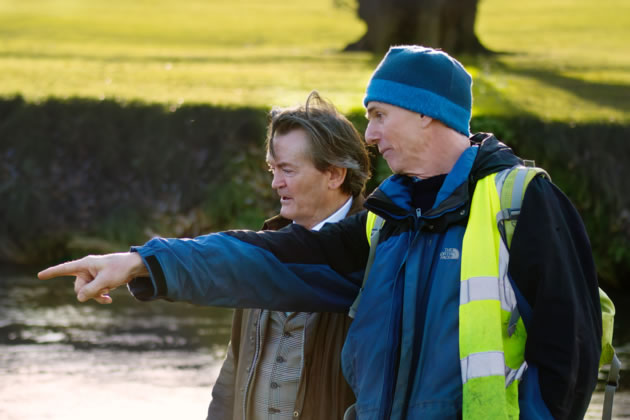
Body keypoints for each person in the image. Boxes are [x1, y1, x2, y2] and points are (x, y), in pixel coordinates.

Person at [39, 46, 602, 420]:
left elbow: (569, 358)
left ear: (426, 114)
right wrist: (144, 263)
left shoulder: (524, 202)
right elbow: (270, 257)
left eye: (379, 114)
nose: (370, 135)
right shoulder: (386, 222)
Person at [208, 91, 369, 420]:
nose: (275, 184)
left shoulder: (377, 253)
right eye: (272, 170)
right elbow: (234, 367)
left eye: (288, 171)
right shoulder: (264, 249)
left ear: (335, 174)